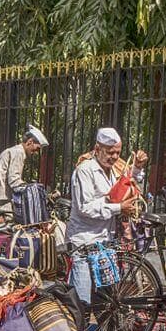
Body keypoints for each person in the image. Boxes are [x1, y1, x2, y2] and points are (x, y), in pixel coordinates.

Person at [66, 127, 148, 303]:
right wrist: (118, 208)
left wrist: (138, 167)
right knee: (82, 302)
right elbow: (85, 207)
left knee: (108, 301)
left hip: (105, 244)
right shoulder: (85, 170)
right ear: (97, 149)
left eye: (117, 153)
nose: (114, 157)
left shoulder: (113, 169)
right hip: (84, 242)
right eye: (110, 152)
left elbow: (124, 185)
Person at [0, 124, 49, 215]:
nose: (36, 153)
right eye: (37, 149)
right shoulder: (19, 153)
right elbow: (14, 180)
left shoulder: (14, 151)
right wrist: (33, 190)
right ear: (30, 142)